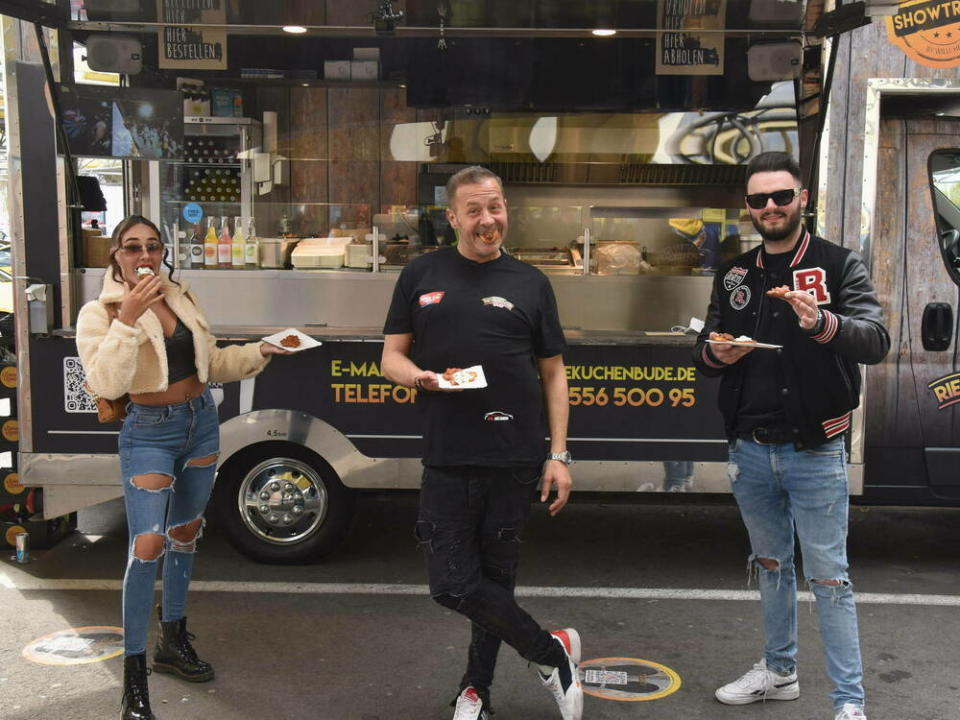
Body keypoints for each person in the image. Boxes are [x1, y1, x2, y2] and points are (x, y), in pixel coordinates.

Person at [693, 152, 890, 720]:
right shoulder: (735, 271)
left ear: (803, 198)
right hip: (749, 448)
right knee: (772, 565)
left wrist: (820, 323)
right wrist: (716, 352)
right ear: (748, 207)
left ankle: (850, 702)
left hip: (815, 449)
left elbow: (875, 340)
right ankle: (779, 673)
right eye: (759, 200)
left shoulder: (837, 264)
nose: (771, 208)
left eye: (782, 196)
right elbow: (706, 347)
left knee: (830, 577)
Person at [381, 166, 582, 720]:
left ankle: (476, 689)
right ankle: (551, 652)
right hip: (448, 450)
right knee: (451, 584)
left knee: (495, 581)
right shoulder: (421, 274)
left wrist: (558, 455)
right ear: (453, 218)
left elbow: (554, 374)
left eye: (495, 207)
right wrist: (418, 377)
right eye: (474, 210)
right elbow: (391, 355)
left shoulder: (531, 283)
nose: (487, 220)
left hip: (515, 454)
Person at [76, 215, 289, 720]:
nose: (144, 255)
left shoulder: (179, 296)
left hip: (200, 422)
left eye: (153, 246)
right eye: (132, 248)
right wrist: (127, 318)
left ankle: (172, 641)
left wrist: (261, 350)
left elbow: (209, 363)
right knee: (146, 544)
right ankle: (133, 685)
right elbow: (106, 382)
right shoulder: (100, 311)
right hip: (149, 430)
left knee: (186, 534)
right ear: (116, 256)